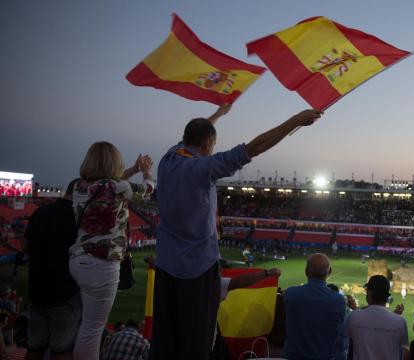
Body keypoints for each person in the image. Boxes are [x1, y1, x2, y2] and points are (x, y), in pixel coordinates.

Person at [150, 105, 322, 360]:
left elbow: (196, 132)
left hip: (166, 267)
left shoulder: (169, 158)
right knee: (196, 345)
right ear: (209, 143)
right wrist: (294, 121)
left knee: (166, 342)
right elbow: (253, 148)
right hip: (196, 272)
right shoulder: (201, 169)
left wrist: (218, 114)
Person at [69, 142, 154, 360]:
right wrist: (145, 172)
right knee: (92, 329)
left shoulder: (78, 186)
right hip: (102, 264)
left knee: (85, 325)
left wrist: (133, 170)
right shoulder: (117, 188)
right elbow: (147, 191)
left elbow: (113, 183)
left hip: (78, 260)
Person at [25, 179, 82, 360]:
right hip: (65, 294)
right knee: (62, 350)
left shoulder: (40, 212)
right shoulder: (77, 218)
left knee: (34, 347)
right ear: (80, 193)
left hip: (36, 290)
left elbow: (24, 247)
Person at [283, 253, 345, 360]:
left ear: (306, 271)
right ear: (329, 272)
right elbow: (341, 336)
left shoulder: (290, 294)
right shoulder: (338, 300)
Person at [347, 275, 409, 360]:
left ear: (369, 294)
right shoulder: (401, 321)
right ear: (387, 297)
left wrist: (354, 309)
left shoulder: (353, 317)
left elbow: (341, 343)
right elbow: (405, 350)